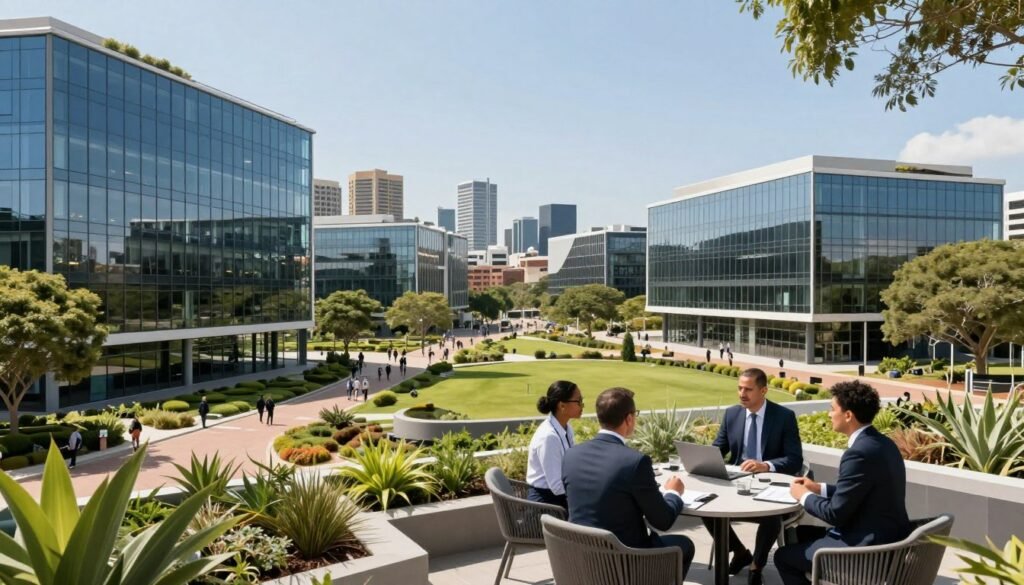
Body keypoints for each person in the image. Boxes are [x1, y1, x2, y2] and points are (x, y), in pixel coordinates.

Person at [775, 381, 910, 585]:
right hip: (889, 538)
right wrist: (817, 488)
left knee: (783, 557)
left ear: (848, 415)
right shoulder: (883, 443)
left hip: (868, 552)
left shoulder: (858, 454)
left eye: (832, 409)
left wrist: (802, 495)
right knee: (800, 534)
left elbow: (835, 514)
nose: (829, 414)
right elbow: (862, 491)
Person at [562, 387, 695, 576]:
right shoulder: (635, 462)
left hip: (580, 555)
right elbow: (663, 520)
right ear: (629, 419)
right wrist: (674, 493)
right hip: (624, 562)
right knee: (684, 545)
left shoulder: (571, 455)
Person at [702, 368, 803, 584]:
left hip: (769, 485)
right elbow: (718, 449)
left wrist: (766, 465)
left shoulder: (784, 417)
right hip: (736, 486)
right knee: (706, 508)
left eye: (748, 389)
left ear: (764, 390)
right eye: (739, 388)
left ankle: (756, 566)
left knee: (772, 518)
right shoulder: (732, 414)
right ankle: (739, 552)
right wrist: (702, 459)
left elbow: (795, 459)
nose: (741, 393)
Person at [526, 381, 584, 509]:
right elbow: (557, 487)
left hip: (559, 498)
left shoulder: (566, 428)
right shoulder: (548, 437)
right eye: (579, 401)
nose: (582, 405)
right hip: (546, 506)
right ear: (562, 406)